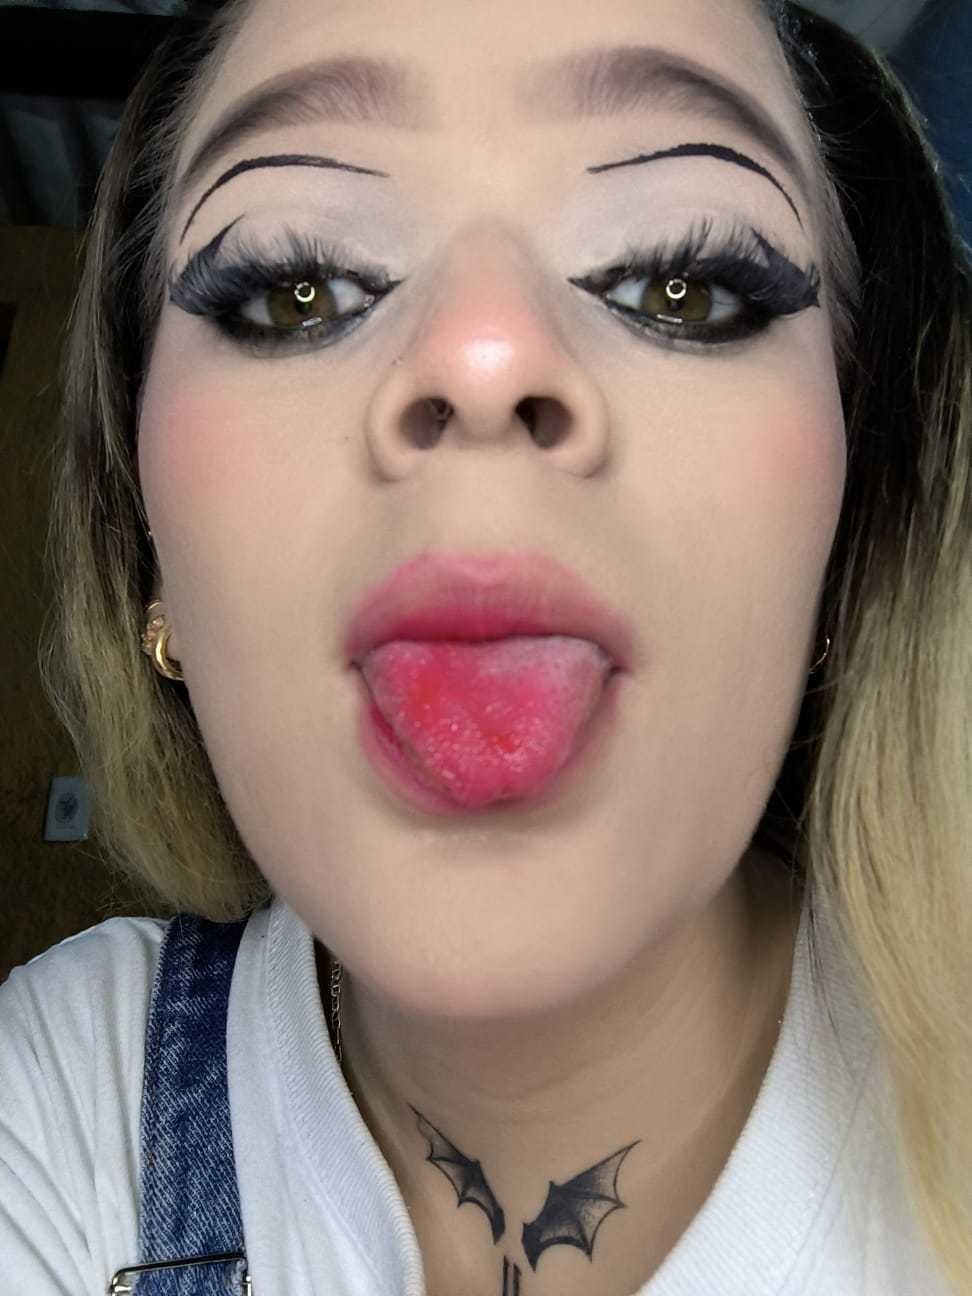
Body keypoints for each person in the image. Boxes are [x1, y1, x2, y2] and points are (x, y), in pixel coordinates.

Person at [2, 0, 970, 1292]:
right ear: (148, 551)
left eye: (679, 281)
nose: (484, 353)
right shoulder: (55, 1112)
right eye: (297, 287)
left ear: (851, 529)